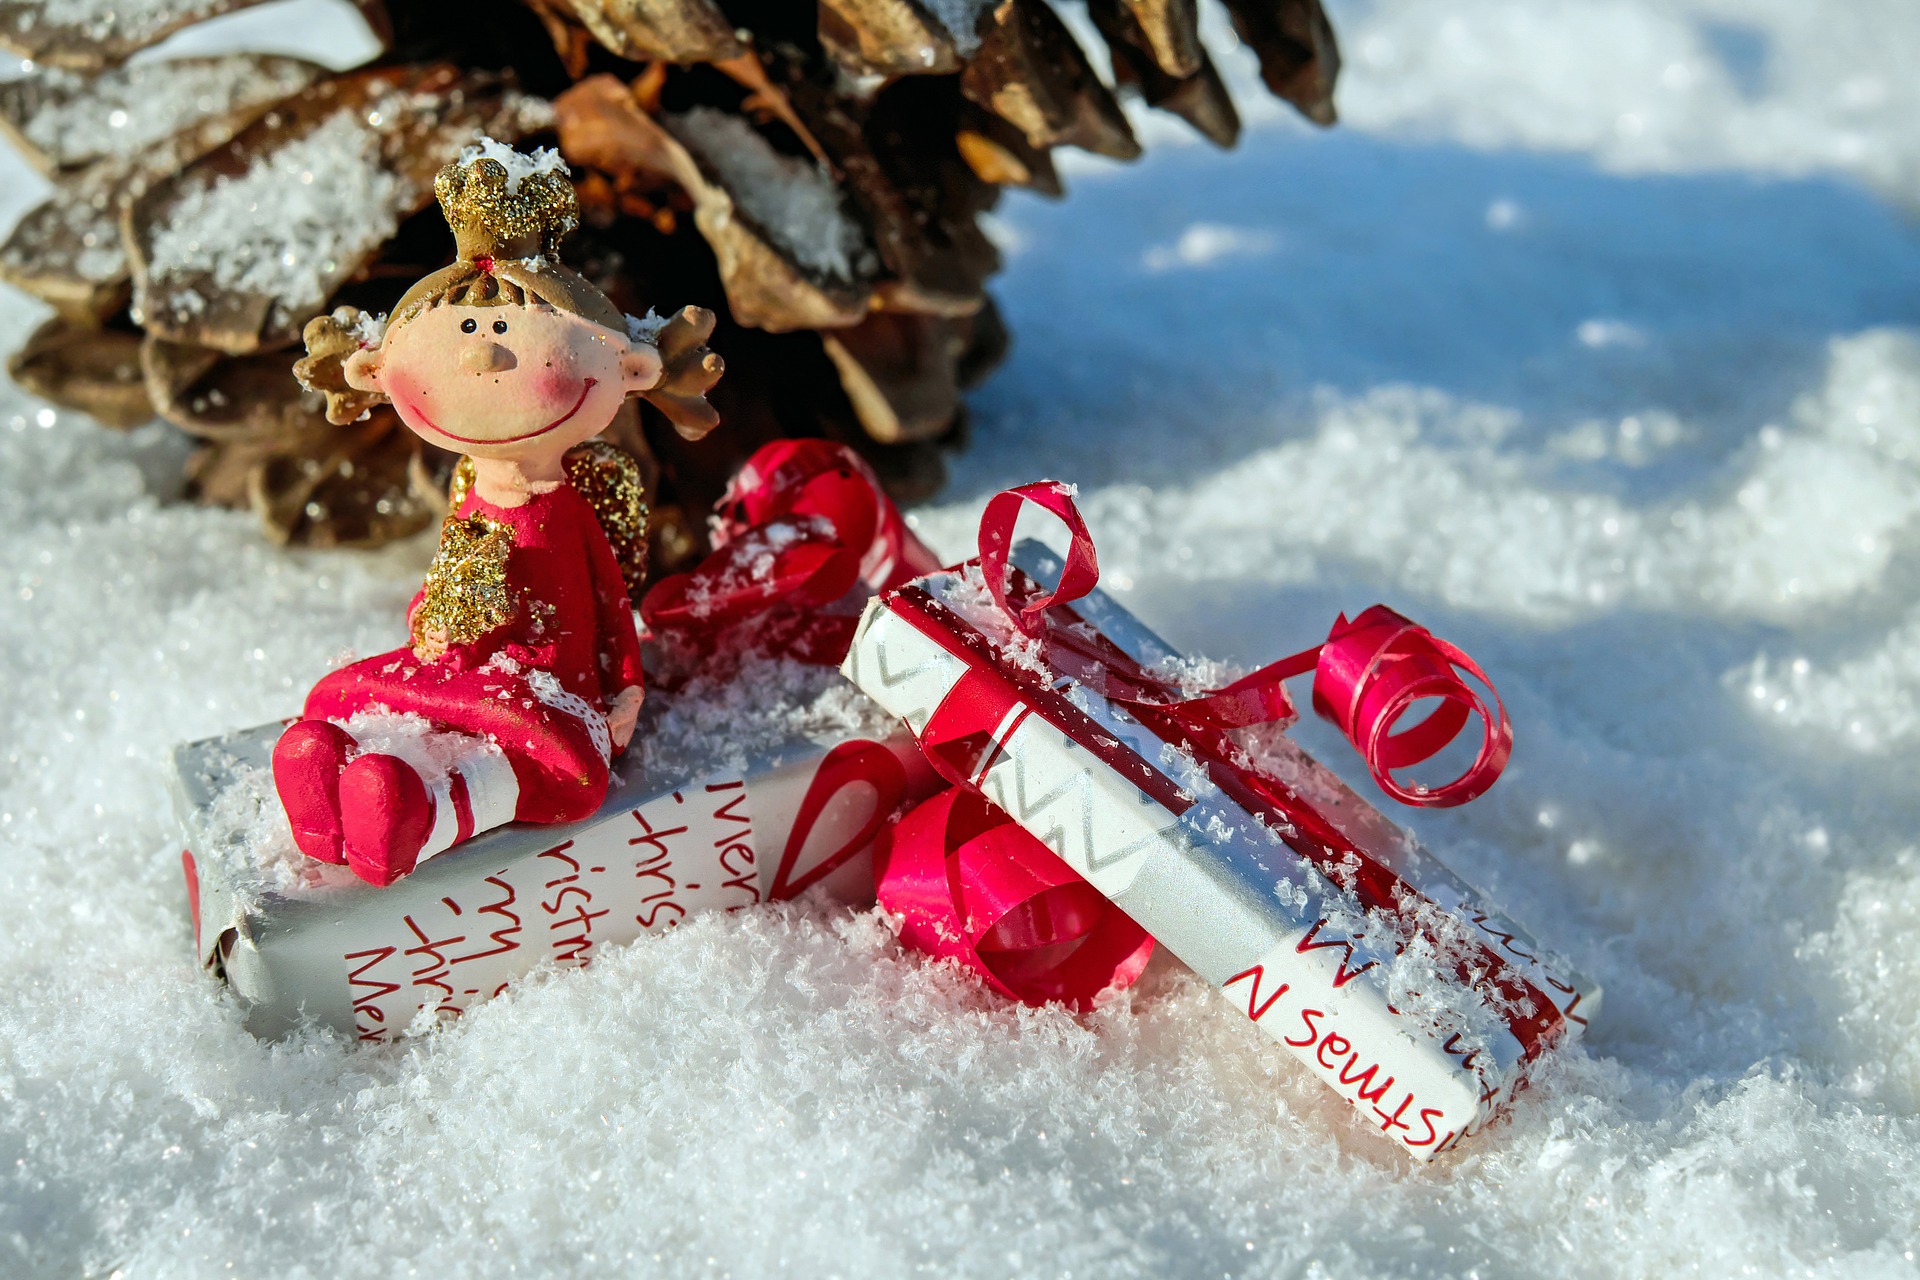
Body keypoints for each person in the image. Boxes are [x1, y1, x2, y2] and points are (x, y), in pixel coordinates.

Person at [272, 138, 721, 886]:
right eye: (466, 337)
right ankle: (335, 769)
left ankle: (412, 807)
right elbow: (449, 574)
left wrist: (624, 689)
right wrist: (433, 614)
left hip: (547, 686)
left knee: (544, 767)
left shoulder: (571, 511)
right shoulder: (466, 497)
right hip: (452, 660)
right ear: (375, 374)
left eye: (503, 333)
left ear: (631, 371)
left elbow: (609, 604)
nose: (480, 360)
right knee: (400, 705)